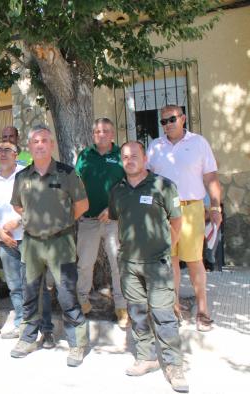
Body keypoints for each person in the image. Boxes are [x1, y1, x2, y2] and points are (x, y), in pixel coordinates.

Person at [109, 141, 188, 393]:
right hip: (129, 264)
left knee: (164, 315)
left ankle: (174, 365)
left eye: (134, 155)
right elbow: (116, 219)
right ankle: (146, 357)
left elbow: (176, 221)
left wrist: (166, 248)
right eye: (125, 157)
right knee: (138, 313)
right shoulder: (117, 190)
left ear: (144, 158)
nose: (129, 160)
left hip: (157, 263)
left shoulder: (163, 186)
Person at [10, 125, 89, 366]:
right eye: (35, 141)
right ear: (30, 146)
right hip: (32, 245)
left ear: (51, 145)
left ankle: (77, 344)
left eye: (45, 140)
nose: (40, 144)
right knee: (30, 293)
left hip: (61, 244)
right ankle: (27, 338)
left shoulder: (67, 173)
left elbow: (82, 205)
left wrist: (60, 224)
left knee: (66, 295)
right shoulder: (22, 177)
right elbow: (18, 206)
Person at [147, 105, 222, 331]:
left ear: (183, 119)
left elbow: (211, 177)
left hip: (191, 209)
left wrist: (216, 206)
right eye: (163, 122)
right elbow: (146, 178)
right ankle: (174, 308)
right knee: (169, 263)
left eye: (171, 119)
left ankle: (202, 311)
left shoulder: (199, 143)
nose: (167, 125)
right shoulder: (155, 147)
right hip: (163, 212)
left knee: (194, 261)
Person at [0, 141, 54, 346]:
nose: (2, 154)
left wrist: (20, 221)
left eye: (7, 150)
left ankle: (46, 329)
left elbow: (41, 204)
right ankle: (23, 323)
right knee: (14, 286)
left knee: (36, 286)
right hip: (6, 241)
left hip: (30, 238)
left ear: (16, 155)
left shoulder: (27, 174)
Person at [75, 118, 128, 327]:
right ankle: (81, 302)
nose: (101, 134)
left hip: (114, 220)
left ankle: (121, 307)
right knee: (85, 264)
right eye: (97, 131)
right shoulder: (85, 155)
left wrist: (113, 208)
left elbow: (128, 184)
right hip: (88, 220)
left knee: (117, 264)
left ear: (112, 134)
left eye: (106, 131)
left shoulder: (120, 155)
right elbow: (76, 182)